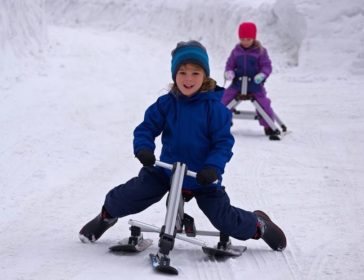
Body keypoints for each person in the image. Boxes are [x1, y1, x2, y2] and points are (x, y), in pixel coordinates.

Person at [79, 40, 286, 251]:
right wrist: (144, 148)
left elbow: (222, 143)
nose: (188, 79)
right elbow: (146, 128)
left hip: (202, 176)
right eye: (182, 72)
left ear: (204, 75)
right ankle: (106, 217)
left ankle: (259, 225)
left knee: (224, 218)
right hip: (167, 170)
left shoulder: (215, 108)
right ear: (174, 75)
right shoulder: (166, 103)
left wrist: (213, 167)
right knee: (132, 193)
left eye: (195, 73)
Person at [222, 22, 278, 137]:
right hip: (237, 84)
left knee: (264, 104)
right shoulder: (236, 51)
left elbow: (266, 65)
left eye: (248, 39)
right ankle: (223, 123)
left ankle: (269, 126)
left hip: (255, 85)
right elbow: (230, 64)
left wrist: (262, 75)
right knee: (223, 100)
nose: (245, 42)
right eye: (243, 39)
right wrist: (229, 72)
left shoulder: (260, 51)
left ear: (253, 38)